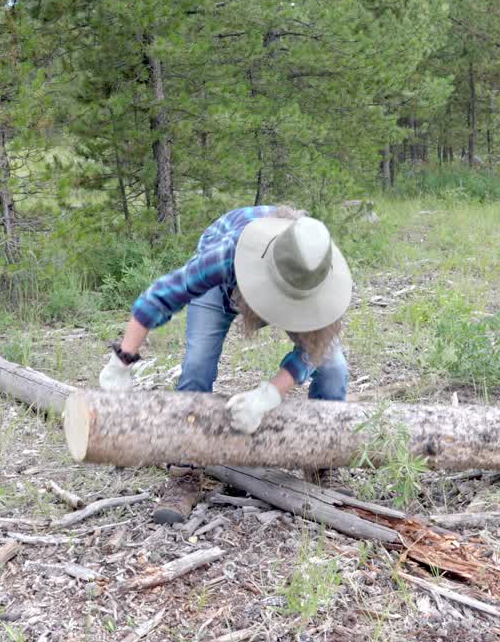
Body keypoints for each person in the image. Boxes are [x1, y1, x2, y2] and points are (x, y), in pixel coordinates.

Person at [98, 205, 353, 524]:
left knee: (334, 368)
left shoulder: (319, 271)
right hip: (223, 287)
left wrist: (269, 395)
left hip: (293, 289)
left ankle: (322, 459)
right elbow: (161, 296)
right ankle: (185, 469)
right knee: (197, 363)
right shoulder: (226, 254)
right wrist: (121, 362)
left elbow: (317, 347)